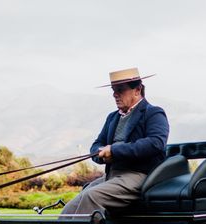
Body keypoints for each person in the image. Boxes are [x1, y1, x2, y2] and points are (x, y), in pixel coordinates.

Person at [61, 68, 169, 215]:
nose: (115, 95)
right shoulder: (112, 117)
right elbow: (96, 144)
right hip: (112, 175)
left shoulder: (154, 113)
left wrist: (114, 151)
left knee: (91, 196)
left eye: (120, 90)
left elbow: (155, 143)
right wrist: (99, 153)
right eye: (113, 90)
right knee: (71, 207)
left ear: (137, 90)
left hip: (139, 175)